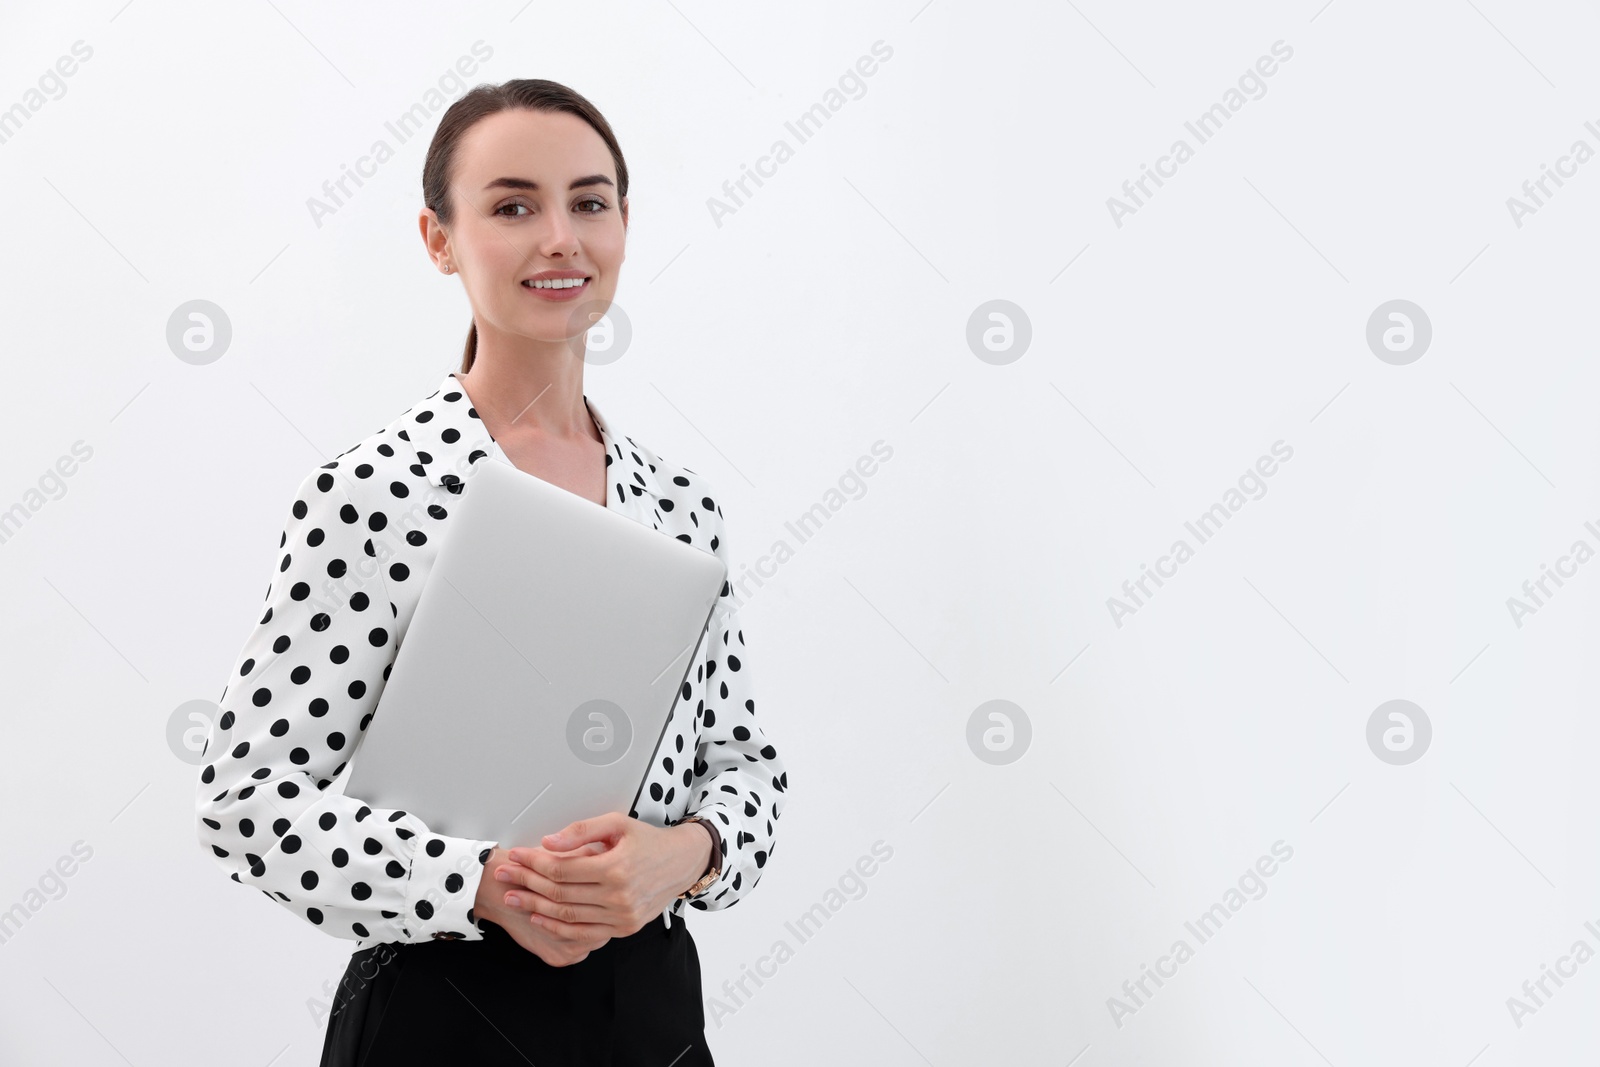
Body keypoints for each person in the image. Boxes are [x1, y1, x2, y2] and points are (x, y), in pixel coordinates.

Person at [192, 78, 788, 1065]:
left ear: (624, 226)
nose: (560, 236)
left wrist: (679, 855)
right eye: (513, 206)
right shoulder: (372, 493)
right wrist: (476, 879)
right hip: (441, 1011)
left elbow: (745, 765)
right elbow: (246, 795)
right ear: (439, 239)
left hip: (646, 1012)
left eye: (589, 202)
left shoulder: (682, 506)